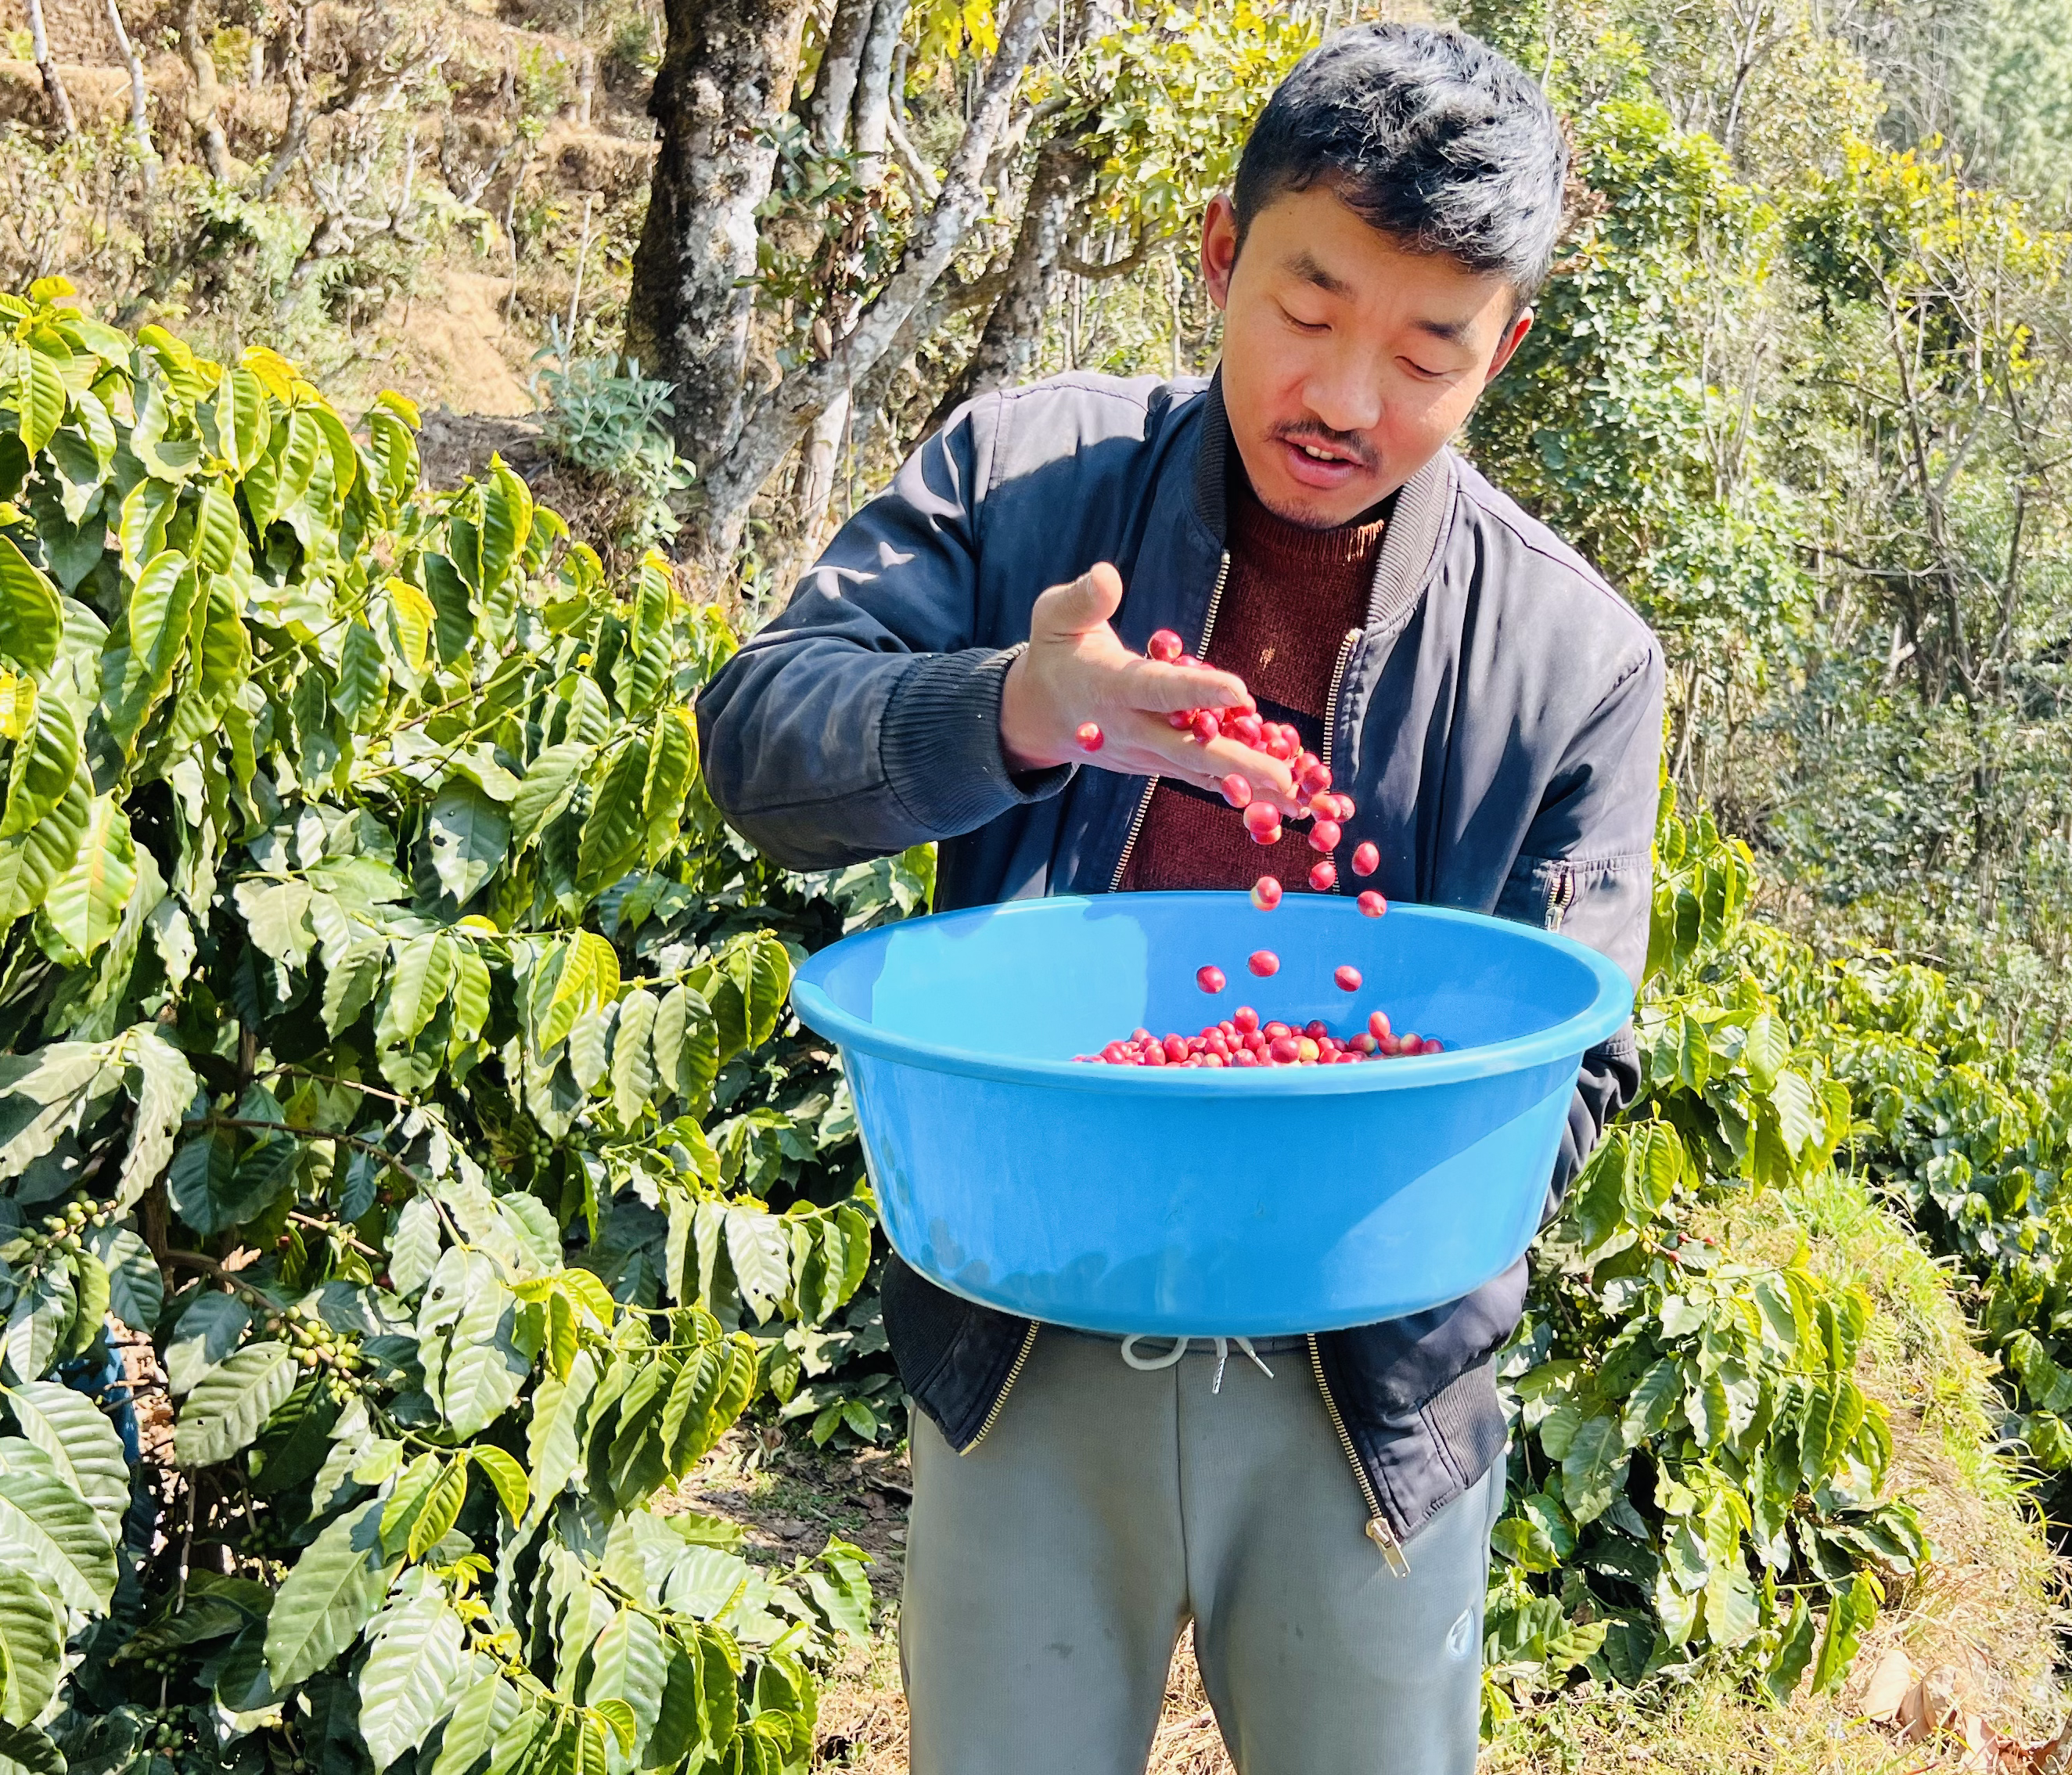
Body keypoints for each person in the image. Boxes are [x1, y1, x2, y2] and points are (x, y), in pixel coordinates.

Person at [696, 24, 1663, 1774]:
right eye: (1309, 310)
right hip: (1033, 1322)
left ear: (1501, 353)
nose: (1349, 398)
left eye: (1427, 349)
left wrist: (1318, 1176)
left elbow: (1577, 1059)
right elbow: (761, 747)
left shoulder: (1572, 658)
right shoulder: (1027, 484)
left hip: (1369, 1393)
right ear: (1221, 255)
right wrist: (1014, 708)